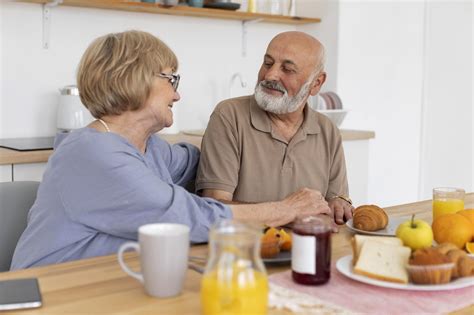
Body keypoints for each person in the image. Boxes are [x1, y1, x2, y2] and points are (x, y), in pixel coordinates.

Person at [11, 30, 329, 270]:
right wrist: (287, 208)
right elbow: (189, 218)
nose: (177, 95)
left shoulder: (150, 149)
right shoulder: (91, 155)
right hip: (53, 293)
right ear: (132, 78)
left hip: (113, 281)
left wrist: (242, 138)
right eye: (171, 79)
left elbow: (198, 161)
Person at [196, 31, 353, 226]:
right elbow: (214, 208)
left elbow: (332, 208)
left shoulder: (328, 130)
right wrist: (290, 213)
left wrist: (339, 204)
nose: (270, 75)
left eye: (287, 69)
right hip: (246, 249)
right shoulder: (229, 116)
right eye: (268, 63)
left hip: (308, 249)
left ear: (316, 84)